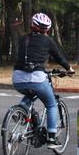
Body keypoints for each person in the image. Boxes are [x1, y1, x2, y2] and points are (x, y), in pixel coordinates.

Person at [13, 12, 75, 145]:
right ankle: (51, 137)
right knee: (51, 104)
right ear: (47, 28)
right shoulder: (47, 41)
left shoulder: (23, 39)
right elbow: (59, 57)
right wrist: (69, 69)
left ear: (32, 25)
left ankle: (22, 108)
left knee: (31, 92)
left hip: (18, 79)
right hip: (37, 77)